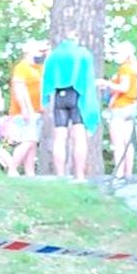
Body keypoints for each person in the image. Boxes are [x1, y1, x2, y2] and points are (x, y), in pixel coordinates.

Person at [41, 30, 99, 181]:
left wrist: (45, 97)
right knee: (79, 137)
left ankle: (60, 175)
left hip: (59, 96)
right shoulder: (83, 54)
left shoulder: (54, 55)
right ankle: (79, 175)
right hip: (77, 95)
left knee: (59, 137)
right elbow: (88, 79)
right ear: (77, 39)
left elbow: (47, 78)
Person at [96, 41, 137, 179]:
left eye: (118, 53)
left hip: (120, 108)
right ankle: (128, 173)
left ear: (125, 54)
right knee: (128, 142)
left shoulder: (125, 69)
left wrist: (106, 83)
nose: (116, 55)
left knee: (118, 143)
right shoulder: (134, 69)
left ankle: (119, 174)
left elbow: (124, 87)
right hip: (131, 106)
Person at [6, 40, 46, 177]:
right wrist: (25, 109)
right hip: (24, 112)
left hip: (37, 110)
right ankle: (12, 168)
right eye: (38, 51)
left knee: (32, 143)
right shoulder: (22, 67)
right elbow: (19, 89)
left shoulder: (39, 67)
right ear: (28, 51)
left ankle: (30, 172)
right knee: (29, 140)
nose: (41, 54)